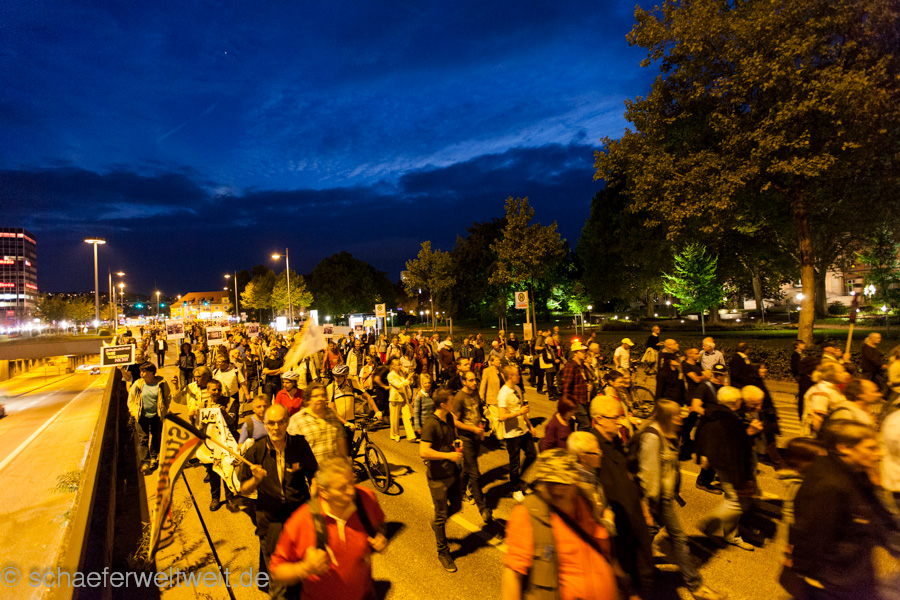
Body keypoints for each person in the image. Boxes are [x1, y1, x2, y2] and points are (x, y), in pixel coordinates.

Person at [789, 421, 900, 599]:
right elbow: (812, 532)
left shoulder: (854, 472)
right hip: (837, 580)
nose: (880, 454)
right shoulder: (831, 484)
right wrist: (809, 575)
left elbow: (875, 514)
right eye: (871, 448)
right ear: (845, 448)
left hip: (853, 571)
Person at [501, 449, 624, 600]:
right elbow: (513, 574)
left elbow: (604, 547)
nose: (558, 489)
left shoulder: (585, 499)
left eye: (563, 483)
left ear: (574, 481)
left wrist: (628, 589)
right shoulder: (528, 513)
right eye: (552, 483)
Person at [635, 400, 724, 600]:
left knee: (649, 533)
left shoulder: (667, 433)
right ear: (666, 416)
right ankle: (695, 585)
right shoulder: (652, 437)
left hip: (663, 497)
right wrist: (650, 505)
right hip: (658, 499)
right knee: (680, 540)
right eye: (676, 414)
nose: (680, 417)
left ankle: (638, 566)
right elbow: (648, 474)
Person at [268, 456, 387, 600]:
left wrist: (380, 536)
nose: (351, 491)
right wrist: (304, 568)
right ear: (324, 492)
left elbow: (380, 524)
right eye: (342, 488)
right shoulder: (301, 521)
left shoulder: (366, 498)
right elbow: (276, 572)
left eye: (352, 482)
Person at [238, 404, 319, 600]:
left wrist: (315, 501)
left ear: (287, 422)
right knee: (277, 573)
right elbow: (243, 489)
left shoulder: (299, 445)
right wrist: (256, 480)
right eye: (271, 423)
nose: (276, 428)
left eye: (281, 422)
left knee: (301, 568)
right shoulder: (256, 451)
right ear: (265, 424)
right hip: (270, 522)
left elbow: (313, 474)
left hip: (298, 519)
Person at [589, 395, 655, 592]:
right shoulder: (591, 447)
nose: (620, 422)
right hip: (617, 525)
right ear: (599, 419)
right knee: (624, 576)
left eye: (620, 416)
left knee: (642, 568)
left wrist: (643, 507)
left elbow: (629, 475)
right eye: (615, 417)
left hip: (633, 516)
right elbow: (590, 488)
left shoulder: (615, 441)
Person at [696, 386, 757, 551]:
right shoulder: (731, 421)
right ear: (736, 402)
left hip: (720, 464)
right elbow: (737, 450)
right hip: (731, 466)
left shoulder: (712, 413)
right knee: (738, 502)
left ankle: (732, 534)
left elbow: (700, 433)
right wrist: (744, 478)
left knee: (734, 499)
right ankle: (711, 524)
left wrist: (702, 455)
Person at [420, 388, 464, 572]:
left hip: (452, 472)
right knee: (441, 516)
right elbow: (423, 452)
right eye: (452, 401)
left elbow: (452, 437)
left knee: (457, 506)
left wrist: (457, 444)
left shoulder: (450, 418)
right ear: (443, 404)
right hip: (437, 477)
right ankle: (443, 552)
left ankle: (437, 523)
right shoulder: (431, 424)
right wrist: (448, 456)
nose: (454, 403)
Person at [452, 370, 493, 523]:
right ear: (464, 381)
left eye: (475, 380)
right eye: (471, 380)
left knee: (467, 468)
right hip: (466, 437)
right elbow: (455, 421)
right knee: (475, 472)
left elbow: (478, 412)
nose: (475, 382)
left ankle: (460, 491)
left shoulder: (475, 393)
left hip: (476, 435)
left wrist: (481, 428)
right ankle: (482, 508)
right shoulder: (459, 397)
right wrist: (472, 429)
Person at [498, 365, 537, 502]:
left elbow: (522, 409)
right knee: (514, 463)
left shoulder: (517, 389)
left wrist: (530, 425)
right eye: (517, 374)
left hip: (523, 430)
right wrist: (519, 412)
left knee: (532, 454)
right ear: (510, 376)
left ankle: (520, 480)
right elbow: (501, 416)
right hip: (512, 434)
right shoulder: (503, 394)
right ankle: (516, 489)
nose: (519, 376)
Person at [127, 363, 172, 475]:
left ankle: (153, 457)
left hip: (156, 415)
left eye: (144, 371)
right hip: (141, 416)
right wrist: (133, 412)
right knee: (143, 439)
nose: (141, 374)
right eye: (141, 371)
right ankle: (145, 462)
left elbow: (167, 397)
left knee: (156, 437)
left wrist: (164, 410)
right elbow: (131, 400)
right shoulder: (138, 384)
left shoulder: (161, 383)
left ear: (151, 372)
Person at [203, 379, 240, 512]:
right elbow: (198, 425)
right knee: (213, 473)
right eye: (214, 389)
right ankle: (215, 498)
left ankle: (230, 498)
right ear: (208, 390)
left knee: (227, 470)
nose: (217, 392)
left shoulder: (230, 402)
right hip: (210, 445)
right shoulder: (202, 404)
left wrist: (224, 413)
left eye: (219, 389)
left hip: (226, 443)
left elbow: (232, 422)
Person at [287, 384, 348, 463]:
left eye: (323, 395)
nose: (320, 399)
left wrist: (345, 463)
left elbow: (341, 442)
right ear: (308, 400)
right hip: (310, 470)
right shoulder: (297, 420)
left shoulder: (332, 416)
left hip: (334, 469)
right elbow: (290, 450)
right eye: (316, 396)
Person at [801, 361, 850, 436]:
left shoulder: (832, 389)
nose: (846, 374)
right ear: (832, 374)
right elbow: (817, 420)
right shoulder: (822, 391)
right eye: (841, 372)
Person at [559, 340, 591, 430]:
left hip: (584, 399)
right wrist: (567, 404)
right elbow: (567, 385)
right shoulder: (570, 366)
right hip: (576, 400)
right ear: (575, 353)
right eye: (582, 352)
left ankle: (578, 437)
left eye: (584, 351)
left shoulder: (582, 366)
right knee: (586, 424)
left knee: (583, 423)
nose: (584, 353)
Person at [387, 357, 417, 442]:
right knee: (394, 418)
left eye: (400, 364)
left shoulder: (401, 373)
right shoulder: (390, 375)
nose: (400, 366)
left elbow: (405, 384)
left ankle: (411, 435)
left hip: (404, 396)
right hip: (395, 398)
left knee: (407, 415)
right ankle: (395, 434)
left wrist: (410, 380)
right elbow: (398, 385)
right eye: (398, 365)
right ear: (393, 366)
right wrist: (408, 379)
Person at [412, 373, 435, 438]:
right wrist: (417, 427)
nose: (428, 384)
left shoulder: (432, 394)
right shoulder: (419, 396)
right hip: (424, 425)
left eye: (429, 382)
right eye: (425, 383)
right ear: (422, 384)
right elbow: (416, 413)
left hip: (432, 424)